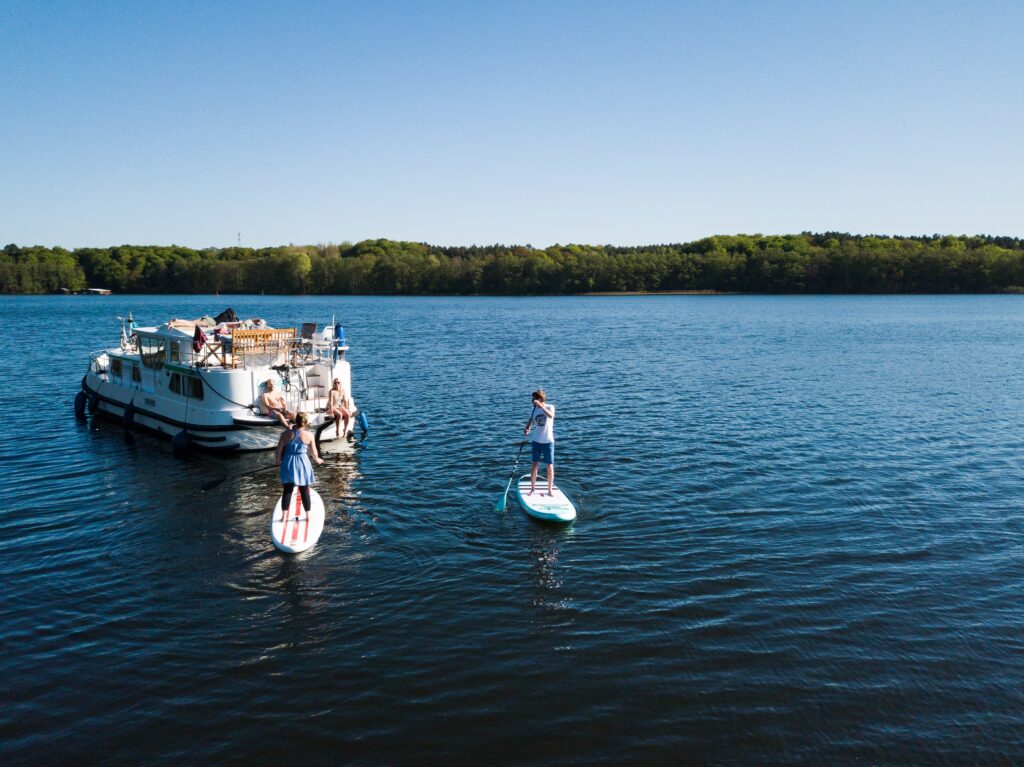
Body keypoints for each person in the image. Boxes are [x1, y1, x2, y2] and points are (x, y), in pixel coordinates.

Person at [275, 412, 324, 519]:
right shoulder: (309, 435)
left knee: (287, 489)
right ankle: (308, 516)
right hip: (302, 463)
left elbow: (278, 450)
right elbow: (314, 453)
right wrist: (318, 460)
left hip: (288, 462)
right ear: (305, 423)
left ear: (295, 421)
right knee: (304, 489)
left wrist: (278, 461)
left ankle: (284, 517)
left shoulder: (285, 434)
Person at [523, 389, 555, 496]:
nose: (532, 401)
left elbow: (551, 416)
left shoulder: (550, 407)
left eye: (534, 399)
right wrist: (527, 428)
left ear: (540, 399)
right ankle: (532, 489)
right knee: (534, 465)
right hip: (536, 441)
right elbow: (531, 421)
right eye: (532, 399)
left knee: (549, 466)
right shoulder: (534, 410)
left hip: (548, 442)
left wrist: (541, 406)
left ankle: (550, 490)